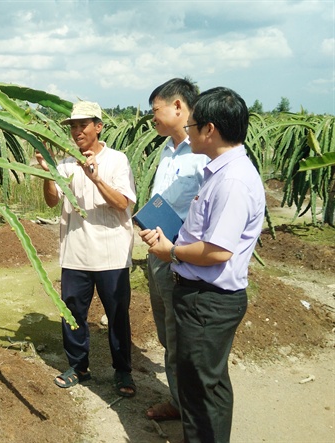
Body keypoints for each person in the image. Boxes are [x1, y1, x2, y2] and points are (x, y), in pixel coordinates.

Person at [140, 87, 265, 443]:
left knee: (200, 390)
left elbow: (218, 251)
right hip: (202, 295)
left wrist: (173, 252)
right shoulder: (221, 172)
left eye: (193, 126)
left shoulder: (233, 181)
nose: (189, 132)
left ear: (208, 129)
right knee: (207, 384)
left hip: (208, 299)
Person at [35, 101, 137, 397]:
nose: (77, 131)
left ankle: (123, 371)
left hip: (111, 254)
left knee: (117, 314)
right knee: (73, 313)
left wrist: (95, 177)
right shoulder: (65, 164)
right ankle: (78, 367)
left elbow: (123, 204)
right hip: (75, 252)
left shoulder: (117, 161)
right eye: (73, 126)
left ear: (98, 126)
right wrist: (47, 173)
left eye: (83, 125)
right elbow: (52, 202)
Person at [143, 78, 208, 422]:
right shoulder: (167, 149)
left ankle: (194, 413)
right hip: (158, 255)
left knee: (184, 339)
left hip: (184, 260)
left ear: (178, 106)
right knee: (168, 334)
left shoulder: (202, 153)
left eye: (156, 110)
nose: (152, 117)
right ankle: (179, 402)